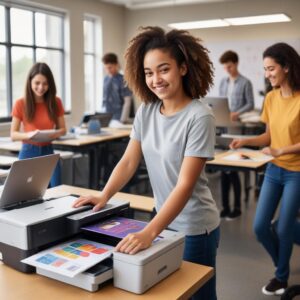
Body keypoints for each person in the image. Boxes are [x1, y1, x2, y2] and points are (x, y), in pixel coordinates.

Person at [74, 26, 220, 300]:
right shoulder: (147, 111)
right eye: (149, 73)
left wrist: (149, 232)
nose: (156, 79)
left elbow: (185, 185)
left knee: (198, 296)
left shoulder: (200, 116)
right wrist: (103, 196)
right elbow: (129, 161)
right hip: (161, 218)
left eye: (164, 69)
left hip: (195, 226)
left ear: (183, 69)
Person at [230, 43, 300, 296]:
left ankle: (280, 276)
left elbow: (282, 145)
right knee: (261, 227)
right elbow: (269, 137)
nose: (267, 74)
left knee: (283, 228)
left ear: (287, 67)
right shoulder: (271, 98)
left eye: (271, 69)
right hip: (274, 170)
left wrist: (282, 150)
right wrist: (246, 141)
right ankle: (281, 263)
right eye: (265, 69)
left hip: (296, 173)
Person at [11, 62, 66, 187]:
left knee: (57, 190)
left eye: (45, 83)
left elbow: (63, 129)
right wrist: (29, 134)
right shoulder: (20, 103)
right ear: (30, 82)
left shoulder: (56, 102)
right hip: (28, 151)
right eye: (37, 83)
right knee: (24, 193)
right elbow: (13, 134)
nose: (41, 87)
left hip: (49, 151)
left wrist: (54, 133)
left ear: (50, 84)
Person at [219, 50, 255, 220]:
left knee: (233, 169)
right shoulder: (223, 82)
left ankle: (237, 207)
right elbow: (220, 101)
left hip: (237, 129)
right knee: (223, 170)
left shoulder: (245, 82)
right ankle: (225, 206)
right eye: (225, 67)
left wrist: (236, 113)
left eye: (230, 66)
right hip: (224, 129)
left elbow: (250, 104)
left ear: (236, 63)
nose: (227, 69)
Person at [102, 53, 133, 123]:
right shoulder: (105, 79)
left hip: (119, 118)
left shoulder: (123, 80)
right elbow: (104, 100)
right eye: (106, 68)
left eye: (110, 67)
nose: (108, 70)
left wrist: (123, 119)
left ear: (116, 64)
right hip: (107, 117)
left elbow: (127, 101)